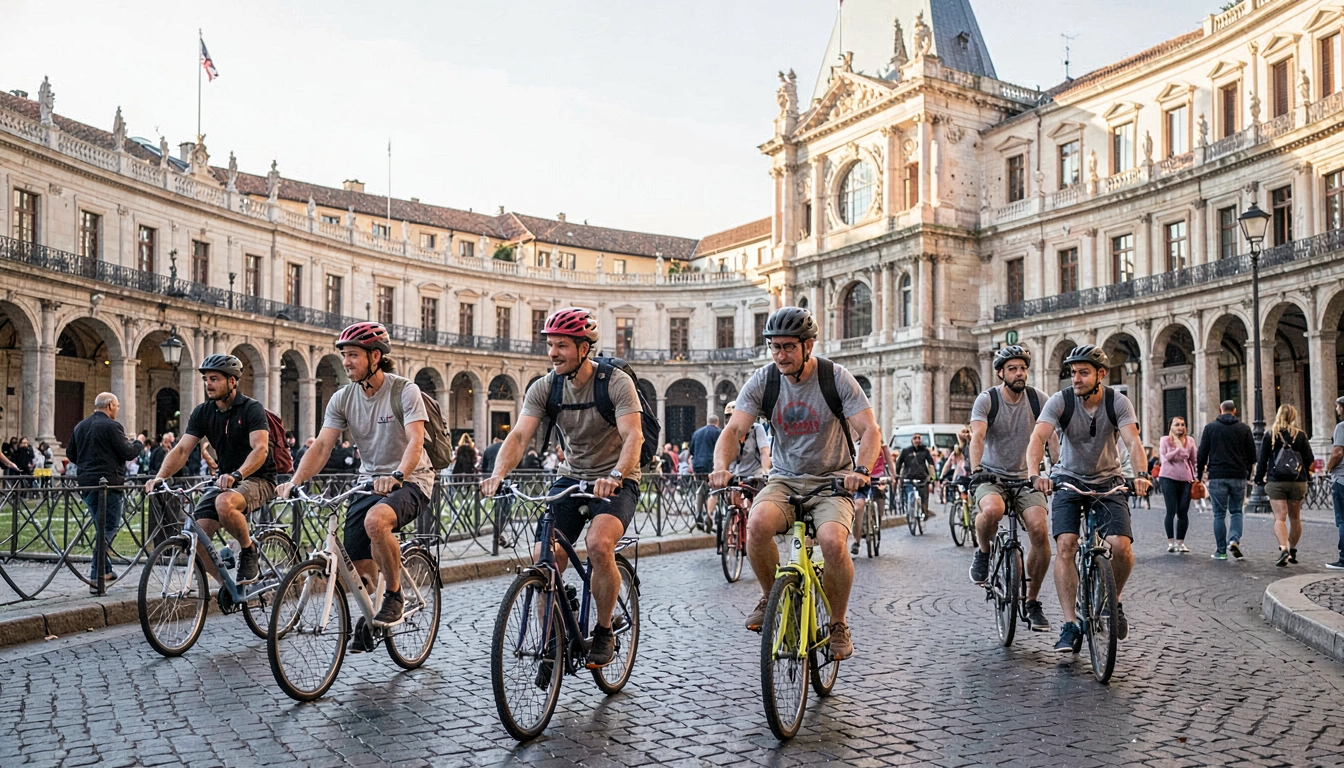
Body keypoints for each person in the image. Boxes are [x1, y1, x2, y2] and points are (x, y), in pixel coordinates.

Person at [711, 307, 881, 661]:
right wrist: (720, 466)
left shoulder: (835, 378)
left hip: (832, 480)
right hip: (785, 480)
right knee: (756, 525)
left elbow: (869, 431)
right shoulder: (764, 380)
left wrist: (862, 469)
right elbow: (734, 429)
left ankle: (838, 623)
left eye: (788, 347)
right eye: (774, 347)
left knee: (834, 543)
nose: (781, 355)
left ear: (808, 346)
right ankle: (770, 595)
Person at [481, 308, 645, 670]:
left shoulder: (615, 382)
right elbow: (520, 434)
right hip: (572, 477)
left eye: (562, 346)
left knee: (599, 545)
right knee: (545, 553)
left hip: (618, 478)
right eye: (550, 345)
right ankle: (553, 640)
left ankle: (604, 632)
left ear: (584, 348)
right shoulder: (546, 387)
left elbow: (634, 434)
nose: (553, 353)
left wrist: (617, 475)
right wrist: (498, 473)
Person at [278, 322, 434, 643]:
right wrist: (294, 481)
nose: (346, 361)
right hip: (369, 482)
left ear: (375, 356)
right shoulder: (342, 398)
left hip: (412, 479)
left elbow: (415, 441)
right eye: (344, 355)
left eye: (352, 355)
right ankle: (374, 612)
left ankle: (393, 595)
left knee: (376, 522)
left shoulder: (405, 391)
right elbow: (321, 446)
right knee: (358, 568)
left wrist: (398, 476)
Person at [1025, 345, 1151, 653]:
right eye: (1073, 373)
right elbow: (1038, 438)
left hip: (1109, 481)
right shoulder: (1061, 401)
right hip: (1068, 481)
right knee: (1066, 545)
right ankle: (1070, 624)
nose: (1076, 379)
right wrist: (1035, 474)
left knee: (1121, 548)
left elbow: (1133, 440)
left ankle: (1114, 600)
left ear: (1100, 374)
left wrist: (1141, 474)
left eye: (1083, 373)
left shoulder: (1117, 402)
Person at [145, 354, 277, 585]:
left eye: (214, 379)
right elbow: (182, 450)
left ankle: (249, 549)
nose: (208, 384)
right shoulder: (203, 412)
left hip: (258, 478)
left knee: (224, 503)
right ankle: (229, 587)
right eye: (206, 379)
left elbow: (260, 449)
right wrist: (159, 477)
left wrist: (237, 474)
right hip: (225, 482)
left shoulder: (251, 409)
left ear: (232, 381)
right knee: (197, 540)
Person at [967, 344, 1056, 632]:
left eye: (1023, 368)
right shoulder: (987, 400)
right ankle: (983, 550)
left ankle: (1031, 602)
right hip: (992, 476)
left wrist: (1056, 469)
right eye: (1013, 369)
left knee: (1040, 530)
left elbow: (1051, 438)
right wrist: (977, 470)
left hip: (1028, 477)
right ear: (1000, 373)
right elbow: (977, 436)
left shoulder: (1038, 399)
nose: (1020, 374)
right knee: (993, 509)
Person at [67, 393, 144, 591]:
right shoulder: (112, 426)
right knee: (109, 526)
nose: (117, 409)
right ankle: (96, 575)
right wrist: (138, 443)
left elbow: (70, 454)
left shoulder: (80, 426)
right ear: (110, 405)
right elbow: (127, 453)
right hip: (109, 484)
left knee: (101, 526)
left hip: (86, 484)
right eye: (117, 406)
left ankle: (106, 570)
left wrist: (88, 464)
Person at [1254, 404, 1315, 567]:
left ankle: (1283, 549)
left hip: (1276, 481)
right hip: (1298, 481)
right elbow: (1310, 460)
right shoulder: (1301, 436)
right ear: (1293, 417)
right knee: (1295, 518)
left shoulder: (1270, 435)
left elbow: (1262, 460)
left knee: (1279, 518)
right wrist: (1308, 476)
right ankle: (1293, 549)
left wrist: (1259, 479)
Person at [1197, 400, 1257, 560]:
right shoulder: (1244, 428)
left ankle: (1221, 551)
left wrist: (1198, 475)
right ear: (1235, 410)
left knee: (1219, 514)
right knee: (1237, 511)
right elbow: (1252, 455)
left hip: (1217, 475)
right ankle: (1234, 539)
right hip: (1238, 475)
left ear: (1220, 410)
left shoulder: (1210, 428)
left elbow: (1202, 453)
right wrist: (1248, 473)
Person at [1159, 417, 1197, 554]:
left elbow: (1194, 459)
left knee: (1183, 511)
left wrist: (1196, 476)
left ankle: (1181, 542)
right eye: (1177, 425)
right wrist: (1178, 448)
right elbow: (1165, 458)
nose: (1180, 427)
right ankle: (1171, 542)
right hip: (1168, 478)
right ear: (1171, 427)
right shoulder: (1165, 440)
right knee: (1171, 510)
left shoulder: (1190, 441)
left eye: (1182, 424)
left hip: (1186, 479)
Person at [850, 437, 894, 556]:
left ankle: (877, 525)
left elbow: (889, 460)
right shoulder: (855, 446)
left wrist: (894, 477)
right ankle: (856, 541)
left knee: (880, 504)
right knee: (858, 507)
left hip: (878, 478)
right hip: (861, 479)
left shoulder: (882, 447)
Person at [147, 432, 188, 545]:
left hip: (168, 488)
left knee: (172, 520)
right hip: (165, 488)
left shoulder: (159, 451)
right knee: (166, 520)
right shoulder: (161, 452)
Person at [894, 433, 937, 520]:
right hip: (908, 477)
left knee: (924, 496)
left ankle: (924, 512)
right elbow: (898, 464)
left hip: (922, 477)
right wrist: (897, 476)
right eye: (915, 438)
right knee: (907, 496)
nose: (917, 440)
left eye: (918, 438)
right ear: (912, 440)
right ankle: (909, 512)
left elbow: (931, 464)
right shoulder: (905, 451)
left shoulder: (925, 451)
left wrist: (932, 477)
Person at [690, 416, 722, 531]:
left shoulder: (696, 433)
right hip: (711, 465)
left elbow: (692, 451)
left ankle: (698, 514)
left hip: (698, 465)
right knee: (714, 489)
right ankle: (709, 516)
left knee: (701, 488)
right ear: (716, 423)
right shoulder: (718, 432)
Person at [1326, 397, 1344, 570]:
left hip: (1342, 479)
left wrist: (1328, 467)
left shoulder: (1341, 427)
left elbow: (1337, 453)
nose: (1337, 410)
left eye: (1338, 406)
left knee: (1342, 520)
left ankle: (1343, 558)